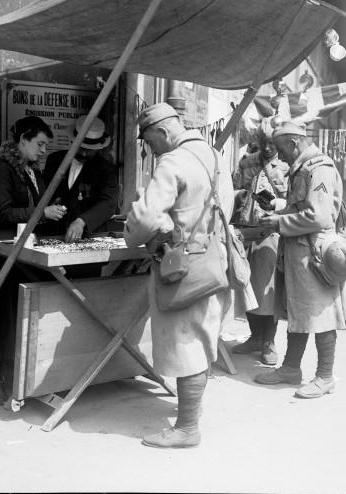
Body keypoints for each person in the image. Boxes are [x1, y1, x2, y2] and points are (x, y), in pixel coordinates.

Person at [124, 102, 234, 448]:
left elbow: (143, 220)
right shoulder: (215, 157)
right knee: (202, 337)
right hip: (214, 260)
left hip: (182, 265)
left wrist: (146, 231)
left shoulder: (173, 161)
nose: (150, 148)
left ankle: (187, 428)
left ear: (164, 131)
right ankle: (190, 418)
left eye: (149, 140)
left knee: (185, 341)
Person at [0, 116, 67, 404]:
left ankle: (20, 375)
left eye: (46, 145)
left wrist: (51, 214)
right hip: (1, 250)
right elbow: (3, 212)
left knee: (17, 314)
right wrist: (41, 214)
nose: (43, 150)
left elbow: (33, 211)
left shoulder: (32, 172)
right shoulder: (2, 169)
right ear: (22, 139)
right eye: (39, 144)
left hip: (24, 250)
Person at [253, 120, 346, 399]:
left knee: (320, 314)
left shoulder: (320, 169)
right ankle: (291, 368)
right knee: (299, 310)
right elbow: (304, 204)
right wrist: (280, 210)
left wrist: (280, 223)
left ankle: (325, 376)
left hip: (314, 253)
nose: (280, 156)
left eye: (282, 150)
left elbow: (319, 216)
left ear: (294, 143)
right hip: (300, 250)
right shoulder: (304, 167)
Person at [231, 121, 289, 365]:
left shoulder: (287, 165)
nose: (267, 148)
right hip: (245, 231)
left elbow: (293, 201)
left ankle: (268, 341)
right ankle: (255, 337)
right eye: (264, 143)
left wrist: (276, 203)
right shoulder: (246, 162)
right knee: (247, 285)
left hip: (270, 233)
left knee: (268, 290)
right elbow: (231, 190)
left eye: (272, 144)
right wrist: (240, 195)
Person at [43, 116, 119, 241]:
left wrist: (82, 221)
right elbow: (44, 192)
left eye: (90, 151)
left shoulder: (106, 169)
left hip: (89, 235)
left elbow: (108, 203)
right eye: (81, 148)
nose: (84, 154)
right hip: (53, 234)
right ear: (73, 141)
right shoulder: (54, 160)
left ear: (99, 147)